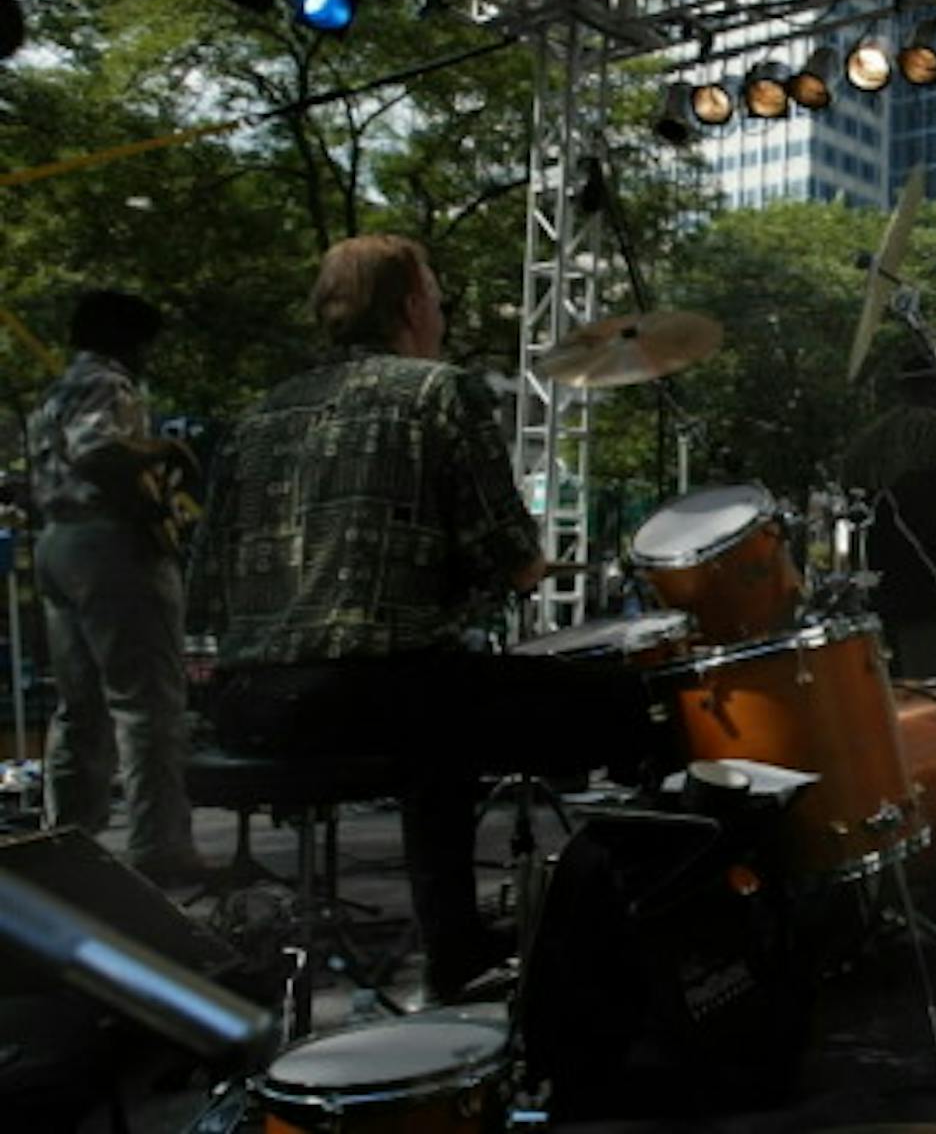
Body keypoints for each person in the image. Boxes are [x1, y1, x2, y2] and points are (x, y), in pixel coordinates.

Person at [188, 235, 647, 999]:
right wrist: (524, 571)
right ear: (408, 306)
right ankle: (618, 927)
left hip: (250, 705)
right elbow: (510, 556)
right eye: (435, 294)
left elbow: (206, 583)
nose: (439, 310)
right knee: (626, 706)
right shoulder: (440, 392)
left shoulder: (256, 415)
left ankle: (459, 945)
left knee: (440, 723)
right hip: (371, 693)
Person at [27, 290, 203, 884]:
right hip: (109, 546)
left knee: (80, 709)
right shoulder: (108, 383)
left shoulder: (56, 391)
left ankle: (68, 843)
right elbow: (99, 451)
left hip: (56, 542)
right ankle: (160, 849)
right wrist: (167, 448)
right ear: (126, 340)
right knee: (147, 702)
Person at [840, 351, 936, 685]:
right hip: (932, 575)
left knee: (895, 683)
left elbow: (852, 508)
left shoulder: (865, 443)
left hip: (879, 574)